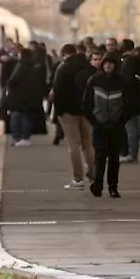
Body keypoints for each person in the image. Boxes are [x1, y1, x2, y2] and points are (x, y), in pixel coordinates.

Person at [83, 51, 135, 198]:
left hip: (116, 126)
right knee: (99, 156)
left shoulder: (122, 82)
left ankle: (113, 187)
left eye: (111, 63)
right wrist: (94, 120)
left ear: (115, 65)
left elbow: (130, 104)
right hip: (99, 126)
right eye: (106, 63)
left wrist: (121, 120)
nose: (108, 66)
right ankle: (97, 185)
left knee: (114, 158)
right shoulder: (94, 80)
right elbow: (86, 103)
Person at [51, 44, 95, 189]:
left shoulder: (63, 68)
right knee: (88, 144)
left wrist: (58, 111)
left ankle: (78, 179)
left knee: (73, 145)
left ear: (64, 54)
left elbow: (58, 91)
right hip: (86, 112)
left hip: (68, 112)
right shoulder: (89, 67)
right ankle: (94, 175)